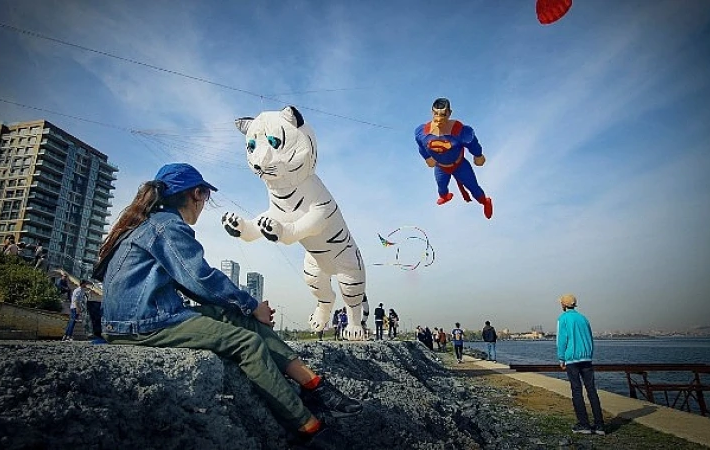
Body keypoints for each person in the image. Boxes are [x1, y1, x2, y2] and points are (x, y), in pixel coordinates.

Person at [97, 163, 358, 448]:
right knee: (248, 343)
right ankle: (310, 429)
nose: (204, 204)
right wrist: (251, 305)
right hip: (143, 323)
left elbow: (195, 285)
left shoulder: (151, 223)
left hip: (139, 317)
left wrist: (244, 308)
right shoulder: (167, 227)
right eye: (206, 196)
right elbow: (201, 279)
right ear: (196, 194)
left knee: (235, 316)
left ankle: (313, 386)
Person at [414, 97, 493, 219]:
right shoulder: (422, 132)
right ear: (431, 113)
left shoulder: (460, 130)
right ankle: (445, 197)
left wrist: (478, 155)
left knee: (473, 187)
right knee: (441, 187)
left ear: (449, 113)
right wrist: (426, 157)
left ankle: (485, 201)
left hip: (460, 165)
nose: (439, 118)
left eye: (443, 115)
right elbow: (420, 145)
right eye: (436, 114)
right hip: (441, 167)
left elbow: (472, 143)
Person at [557, 294, 606, 436]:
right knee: (592, 390)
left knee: (577, 390)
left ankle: (584, 424)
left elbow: (561, 340)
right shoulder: (584, 318)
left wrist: (561, 359)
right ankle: (599, 426)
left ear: (564, 305)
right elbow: (589, 337)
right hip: (586, 358)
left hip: (572, 359)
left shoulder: (563, 319)